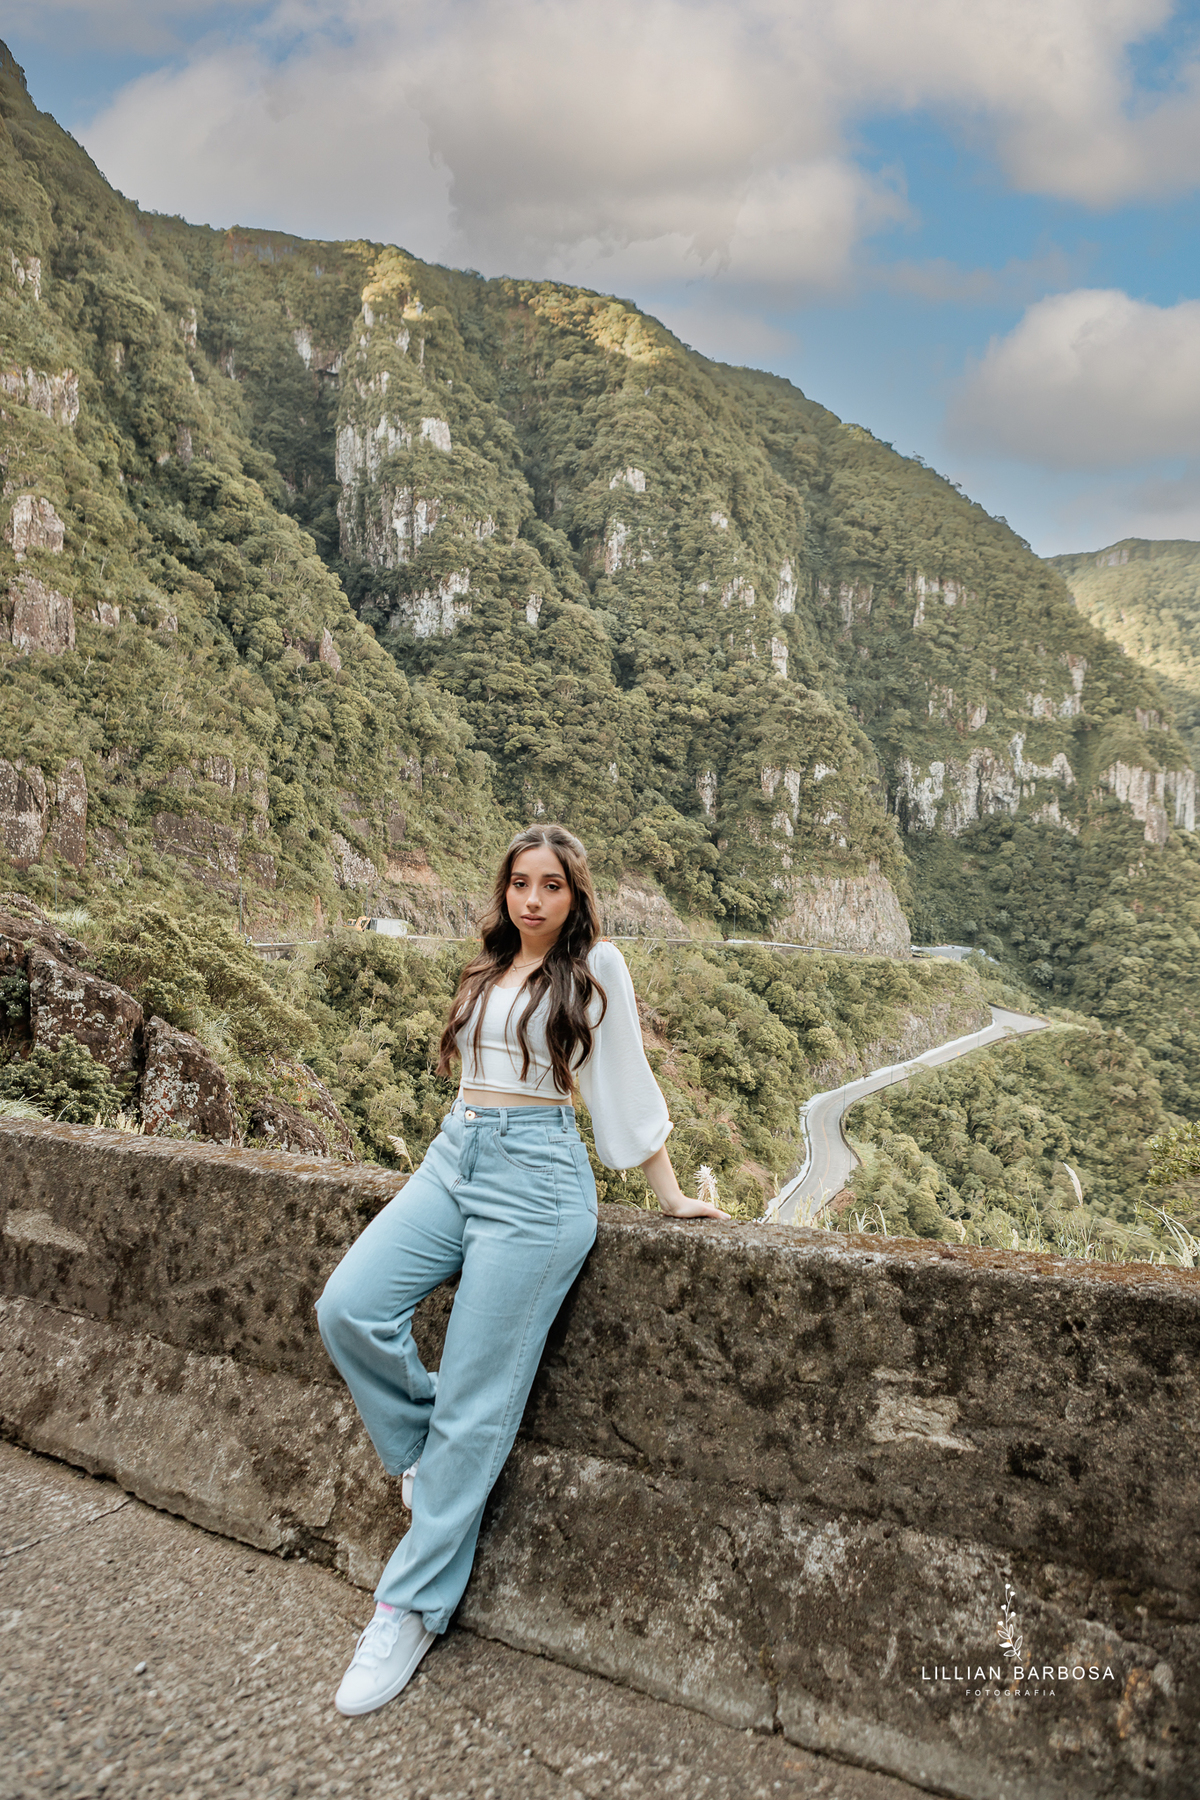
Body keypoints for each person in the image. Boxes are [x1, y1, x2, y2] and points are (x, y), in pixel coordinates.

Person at [316, 823, 729, 1716]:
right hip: (452, 1158)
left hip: (537, 1185)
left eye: (551, 885)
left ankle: (410, 1606)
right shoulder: (485, 967)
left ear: (575, 895)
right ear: (503, 891)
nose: (532, 898)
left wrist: (668, 1195)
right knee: (347, 1307)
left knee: (476, 1403)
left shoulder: (596, 970)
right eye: (519, 882)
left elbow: (626, 1083)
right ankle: (424, 1454)